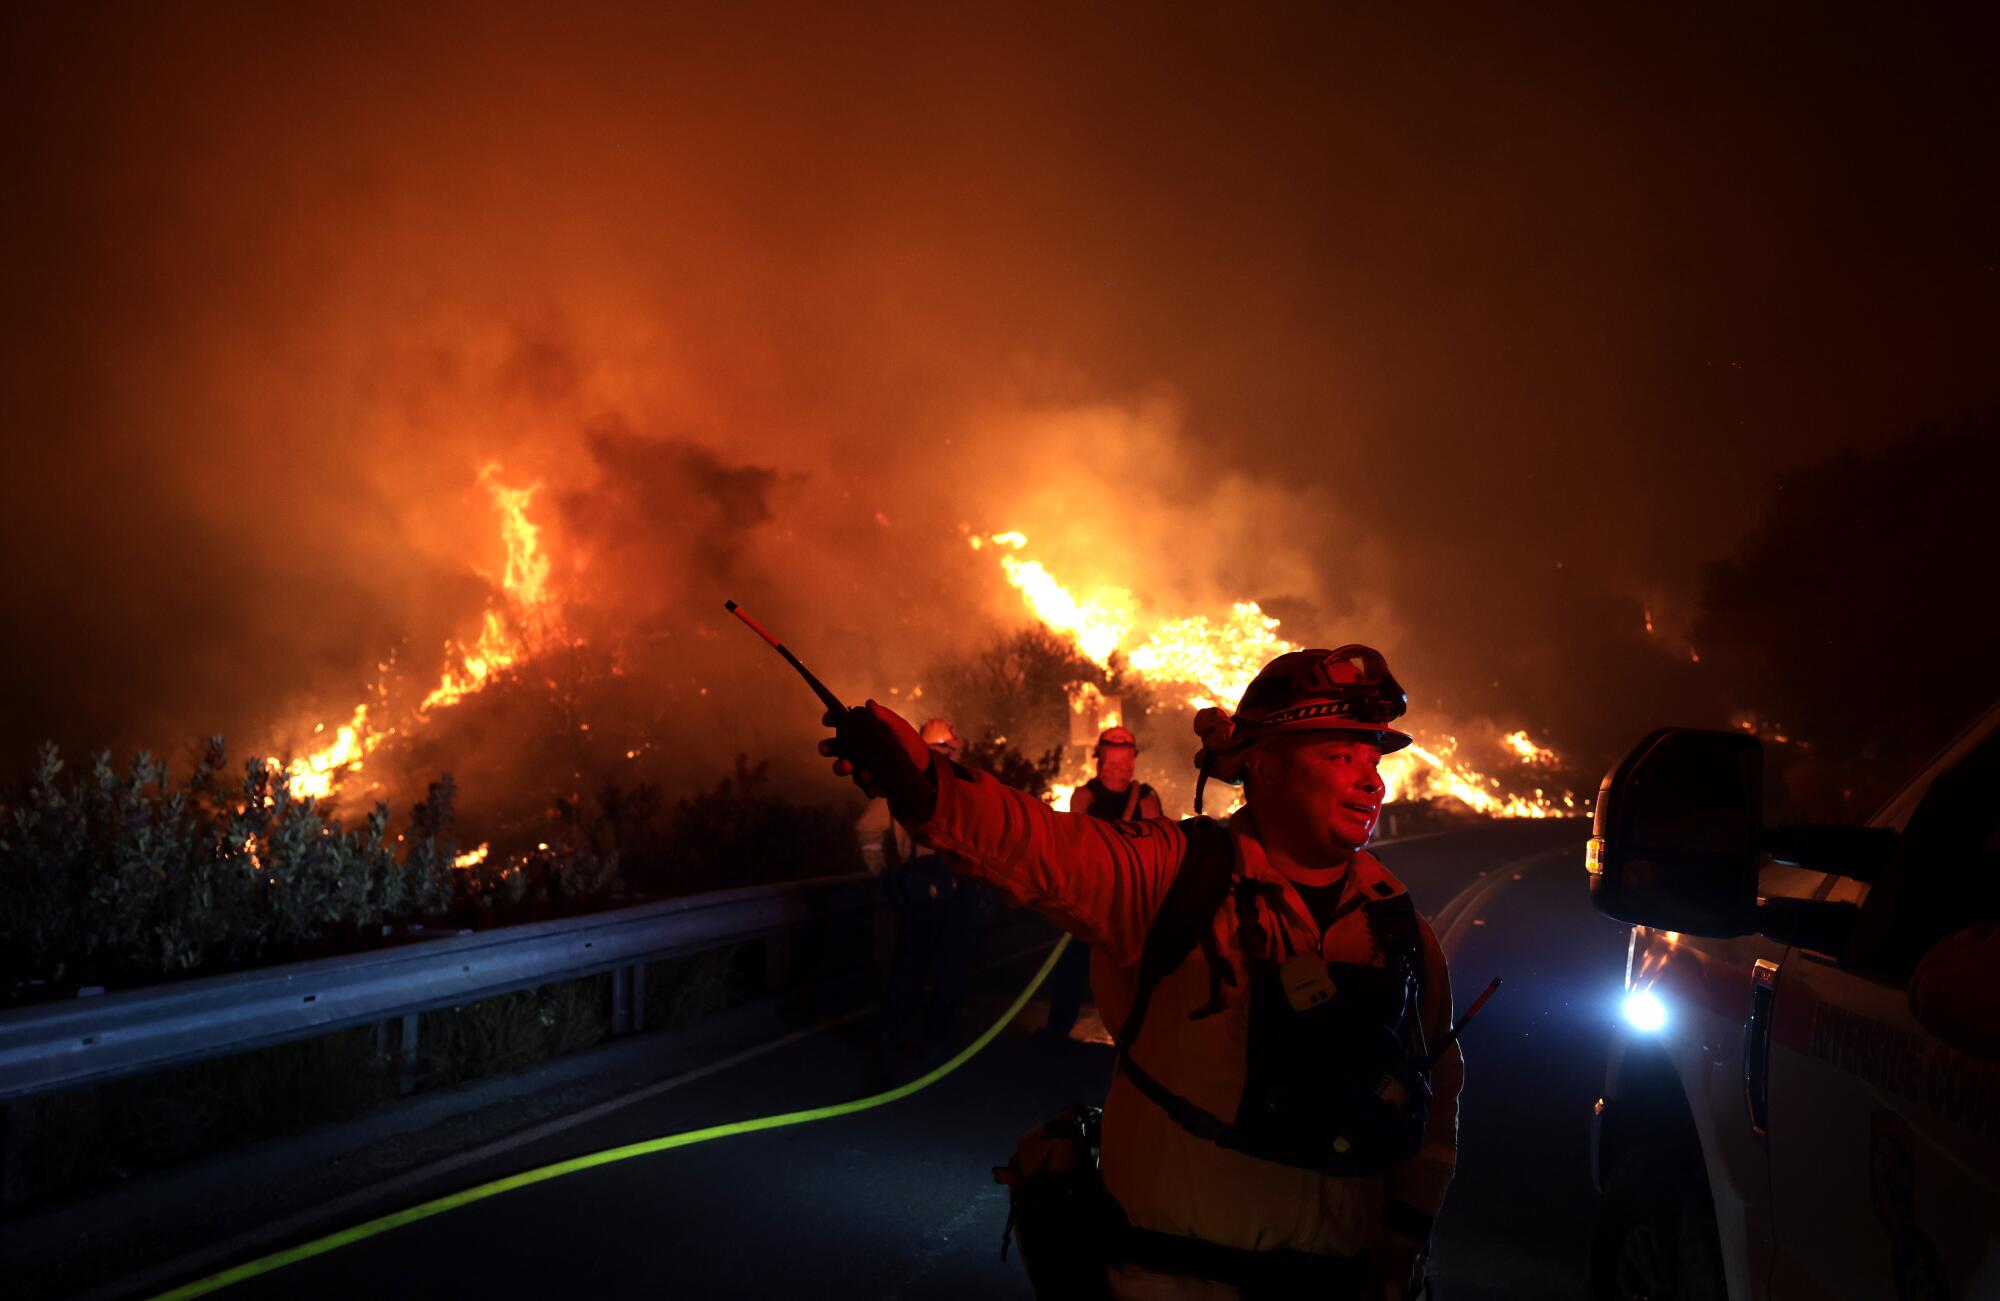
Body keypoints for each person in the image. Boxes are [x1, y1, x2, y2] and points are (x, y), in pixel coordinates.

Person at [823, 647, 1461, 1300]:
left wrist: (1412, 1227)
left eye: (1373, 758)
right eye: (1340, 756)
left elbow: (1435, 1082)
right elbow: (1043, 843)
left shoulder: (1398, 927)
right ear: (1263, 763)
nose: (1371, 781)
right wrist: (930, 784)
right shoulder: (1176, 873)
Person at [867, 717, 987, 1067]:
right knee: (924, 971)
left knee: (931, 971)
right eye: (944, 749)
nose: (949, 755)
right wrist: (888, 874)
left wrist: (886, 875)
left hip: (945, 889)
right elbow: (868, 833)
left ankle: (906, 1041)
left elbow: (866, 834)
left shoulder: (914, 786)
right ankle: (918, 1041)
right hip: (929, 888)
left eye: (949, 749)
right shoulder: (911, 787)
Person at [1043, 726, 1166, 1042]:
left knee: (1093, 968)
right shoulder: (1123, 798)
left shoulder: (1129, 798)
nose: (1119, 768)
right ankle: (1140, 1036)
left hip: (1107, 900)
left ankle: (1060, 1032)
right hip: (1112, 899)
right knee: (1105, 968)